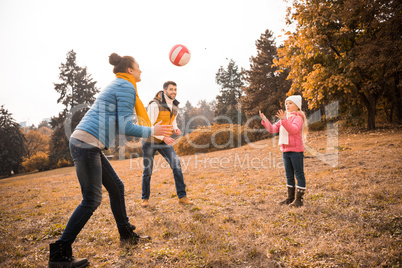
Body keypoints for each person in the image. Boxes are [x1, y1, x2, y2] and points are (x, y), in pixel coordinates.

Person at [48, 53, 173, 268]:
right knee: (91, 200)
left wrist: (155, 132)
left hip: (89, 144)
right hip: (86, 143)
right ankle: (59, 253)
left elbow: (122, 123)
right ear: (130, 71)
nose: (141, 70)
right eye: (138, 67)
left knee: (116, 187)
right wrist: (153, 130)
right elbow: (125, 127)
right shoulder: (125, 87)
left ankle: (126, 234)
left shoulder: (121, 85)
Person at [141, 81, 193, 207]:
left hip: (164, 140)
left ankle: (182, 196)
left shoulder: (175, 105)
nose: (174, 92)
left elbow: (172, 120)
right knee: (148, 171)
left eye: (175, 89)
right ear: (164, 91)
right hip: (149, 141)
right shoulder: (154, 105)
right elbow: (149, 126)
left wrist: (175, 129)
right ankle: (145, 199)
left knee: (176, 165)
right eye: (171, 89)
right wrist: (163, 137)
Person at [259, 95, 308, 208]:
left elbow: (293, 130)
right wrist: (265, 120)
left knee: (299, 174)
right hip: (285, 151)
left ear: (297, 106)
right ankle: (290, 198)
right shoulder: (285, 118)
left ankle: (299, 200)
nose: (287, 105)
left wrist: (283, 120)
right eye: (286, 103)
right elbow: (272, 129)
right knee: (289, 175)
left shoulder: (298, 118)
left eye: (290, 103)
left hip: (296, 151)